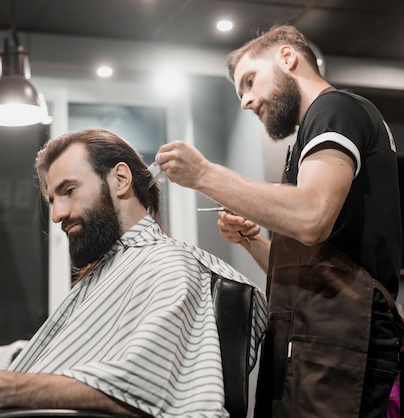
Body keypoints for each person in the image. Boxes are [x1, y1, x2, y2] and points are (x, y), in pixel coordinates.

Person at [0, 127, 267, 418]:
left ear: (120, 180)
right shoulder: (105, 273)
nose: (57, 214)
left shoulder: (169, 264)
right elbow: (63, 357)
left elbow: (145, 383)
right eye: (52, 200)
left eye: (68, 190)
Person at [154, 24, 402, 418]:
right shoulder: (308, 137)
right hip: (313, 343)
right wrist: (253, 242)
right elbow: (314, 271)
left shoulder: (334, 109)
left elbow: (310, 216)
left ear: (287, 57)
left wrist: (204, 175)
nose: (246, 102)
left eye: (250, 81)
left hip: (343, 349)